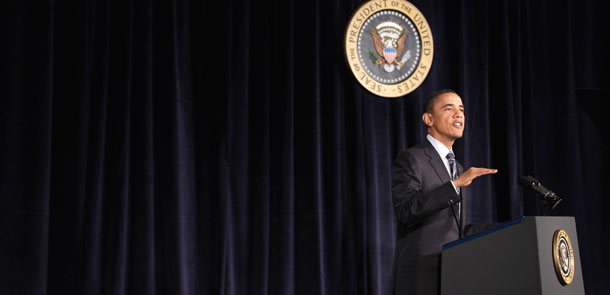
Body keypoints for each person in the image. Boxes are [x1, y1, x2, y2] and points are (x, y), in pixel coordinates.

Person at [390, 89, 497, 295]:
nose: (459, 114)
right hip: (421, 276)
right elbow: (406, 210)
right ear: (428, 118)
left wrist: (511, 228)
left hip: (453, 273)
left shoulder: (458, 166)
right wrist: (454, 185)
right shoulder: (413, 159)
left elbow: (456, 229)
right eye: (449, 109)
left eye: (462, 110)